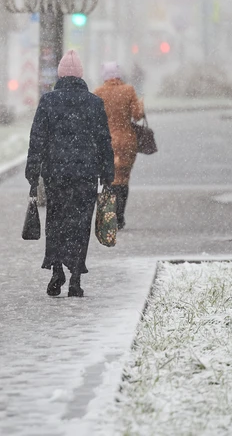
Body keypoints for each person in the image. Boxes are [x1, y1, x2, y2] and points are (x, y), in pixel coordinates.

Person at [26, 50, 114, 298]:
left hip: (57, 175)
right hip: (86, 175)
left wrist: (33, 172)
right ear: (81, 75)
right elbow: (104, 141)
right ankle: (75, 277)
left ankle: (56, 269)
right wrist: (108, 174)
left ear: (60, 75)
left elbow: (37, 139)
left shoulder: (48, 101)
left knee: (56, 222)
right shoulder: (94, 103)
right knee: (81, 224)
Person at [94, 62, 145, 230]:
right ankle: (120, 216)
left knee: (109, 180)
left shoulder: (98, 93)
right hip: (126, 141)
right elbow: (137, 116)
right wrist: (141, 104)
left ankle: (110, 215)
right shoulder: (128, 90)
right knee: (123, 179)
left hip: (105, 143)